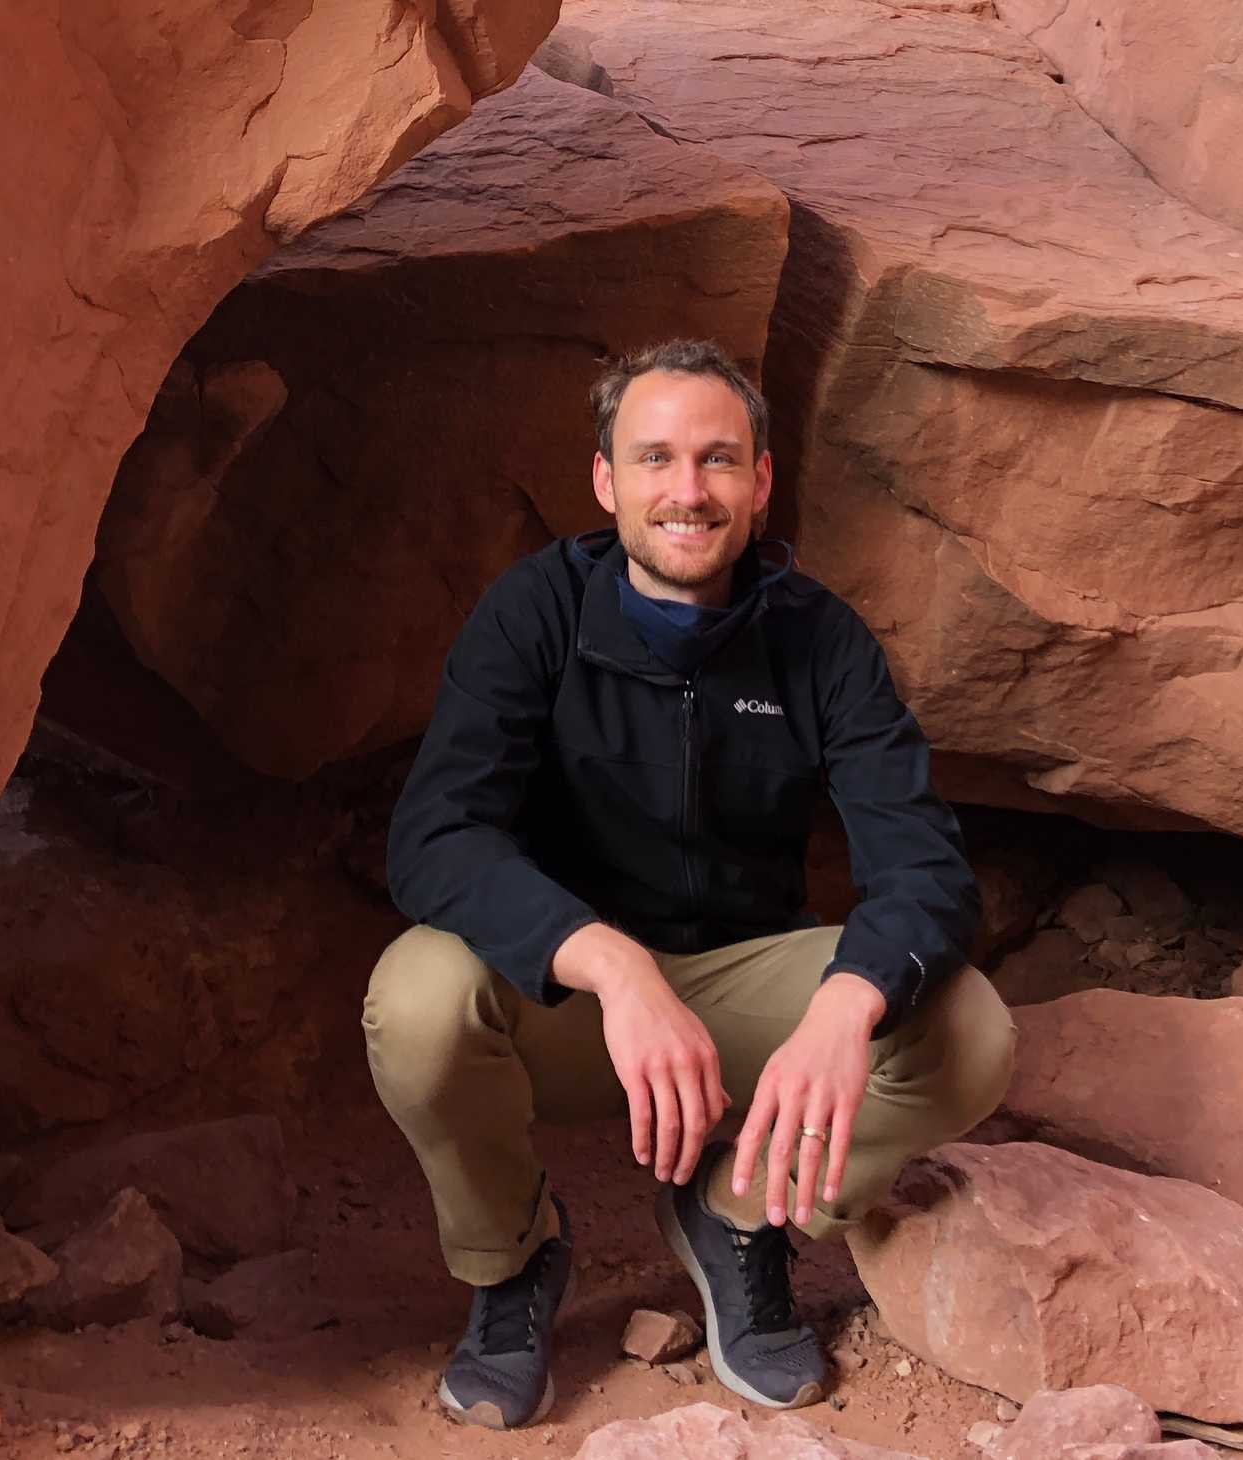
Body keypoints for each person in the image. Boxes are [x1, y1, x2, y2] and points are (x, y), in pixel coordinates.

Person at [364, 339, 1016, 1431]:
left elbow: (926, 868)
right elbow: (434, 837)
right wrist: (611, 963)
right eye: (656, 458)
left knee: (968, 1034)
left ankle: (735, 1214)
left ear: (760, 483)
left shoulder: (823, 642)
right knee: (418, 997)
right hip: (570, 999)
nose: (687, 490)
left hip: (741, 997)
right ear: (607, 482)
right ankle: (513, 1256)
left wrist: (850, 999)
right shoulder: (534, 614)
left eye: (718, 460)